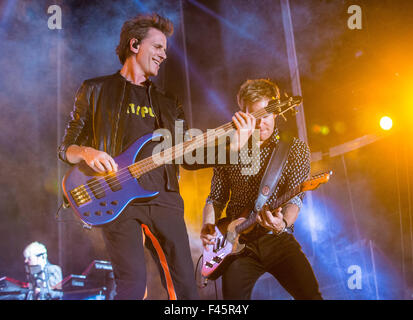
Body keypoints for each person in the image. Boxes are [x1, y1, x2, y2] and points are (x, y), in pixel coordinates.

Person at [58, 13, 199, 300]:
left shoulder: (169, 103)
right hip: (117, 197)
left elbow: (191, 156)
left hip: (164, 197)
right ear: (135, 45)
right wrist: (87, 152)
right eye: (158, 47)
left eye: (165, 50)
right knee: (132, 287)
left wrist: (236, 141)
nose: (164, 55)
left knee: (184, 286)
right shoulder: (95, 89)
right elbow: (66, 148)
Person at [200, 78, 322, 300]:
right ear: (242, 114)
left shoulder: (295, 149)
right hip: (237, 244)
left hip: (276, 238)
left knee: (311, 296)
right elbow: (215, 198)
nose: (259, 124)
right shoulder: (230, 150)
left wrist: (282, 223)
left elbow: (295, 199)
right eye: (253, 117)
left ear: (275, 112)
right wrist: (208, 226)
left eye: (264, 116)